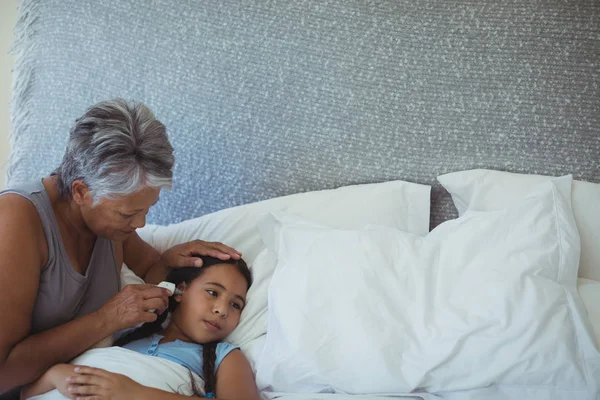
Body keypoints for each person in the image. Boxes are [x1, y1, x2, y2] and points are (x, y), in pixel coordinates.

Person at [0, 99, 242, 397]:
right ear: (81, 192)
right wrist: (106, 319)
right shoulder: (16, 220)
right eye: (127, 214)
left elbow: (153, 271)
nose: (139, 224)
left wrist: (176, 265)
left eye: (147, 210)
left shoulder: (107, 223)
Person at [21, 257, 260, 400]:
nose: (222, 310)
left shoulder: (225, 357)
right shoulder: (121, 335)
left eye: (235, 304)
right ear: (181, 290)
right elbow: (23, 393)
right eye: (212, 292)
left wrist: (135, 393)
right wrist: (56, 374)